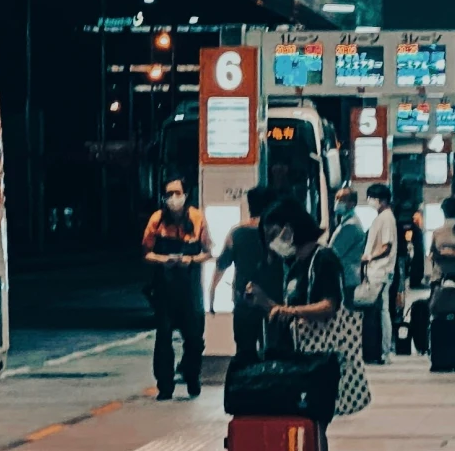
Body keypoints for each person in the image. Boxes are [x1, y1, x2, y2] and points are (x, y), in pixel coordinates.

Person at [241, 200, 370, 435]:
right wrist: (264, 303)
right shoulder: (295, 264)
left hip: (320, 361)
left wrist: (289, 311)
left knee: (312, 426)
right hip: (301, 359)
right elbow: (289, 311)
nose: (272, 244)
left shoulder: (324, 258)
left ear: (289, 229)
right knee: (302, 428)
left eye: (273, 235)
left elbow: (330, 305)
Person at [141, 178, 210, 399]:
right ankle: (165, 386)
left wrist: (191, 259)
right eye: (169, 194)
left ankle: (192, 377)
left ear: (185, 194)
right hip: (164, 288)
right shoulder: (157, 220)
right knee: (163, 338)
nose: (173, 198)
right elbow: (146, 253)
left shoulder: (197, 218)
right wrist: (163, 260)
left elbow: (208, 251)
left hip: (190, 288)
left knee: (194, 338)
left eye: (177, 193)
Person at [216, 185, 279, 371]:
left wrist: (211, 296)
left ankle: (248, 388)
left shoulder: (236, 233)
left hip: (244, 300)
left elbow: (221, 264)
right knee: (274, 350)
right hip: (273, 302)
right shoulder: (278, 232)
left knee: (245, 351)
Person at [356, 182, 399, 362]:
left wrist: (369, 257)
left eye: (372, 198)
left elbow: (386, 247)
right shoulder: (382, 217)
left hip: (380, 271)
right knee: (381, 310)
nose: (369, 201)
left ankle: (384, 350)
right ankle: (382, 349)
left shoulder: (386, 218)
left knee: (382, 311)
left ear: (381, 200)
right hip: (378, 271)